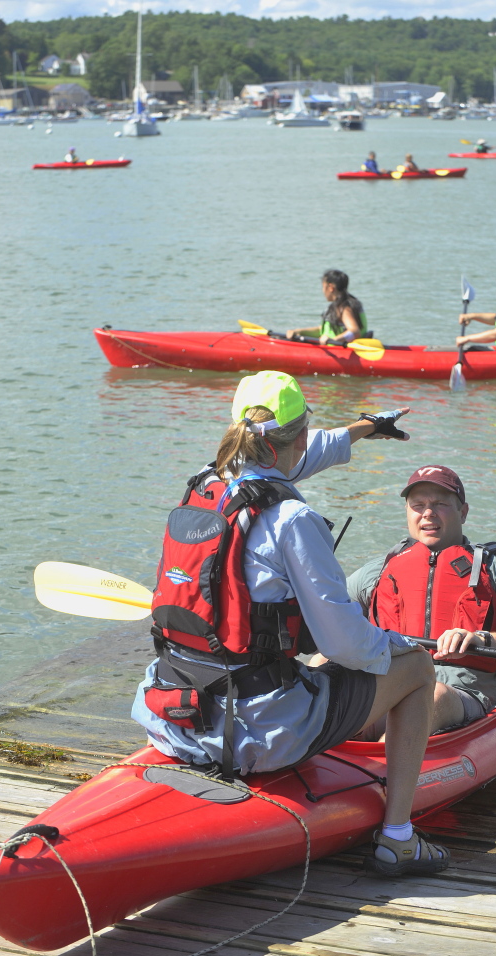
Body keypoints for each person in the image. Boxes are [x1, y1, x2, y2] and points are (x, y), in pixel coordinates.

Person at [132, 371, 449, 877]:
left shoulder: (203, 484)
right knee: (415, 668)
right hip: (259, 733)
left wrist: (366, 428)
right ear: (297, 436)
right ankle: (398, 838)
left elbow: (292, 458)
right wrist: (396, 643)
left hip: (172, 710)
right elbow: (345, 643)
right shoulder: (292, 521)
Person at [346, 465, 496, 735]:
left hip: (466, 689)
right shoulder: (379, 570)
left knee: (432, 697)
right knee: (322, 664)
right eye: (418, 505)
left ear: (463, 512)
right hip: (391, 681)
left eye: (440, 504)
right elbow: (327, 613)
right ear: (407, 512)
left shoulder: (495, 571)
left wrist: (482, 639)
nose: (428, 513)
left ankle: (383, 773)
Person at [286, 270, 368, 346]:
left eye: (323, 287)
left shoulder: (344, 307)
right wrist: (298, 332)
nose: (323, 291)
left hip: (339, 352)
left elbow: (355, 332)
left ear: (331, 288)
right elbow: (323, 330)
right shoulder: (345, 303)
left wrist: (334, 340)